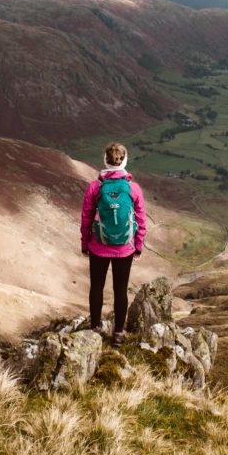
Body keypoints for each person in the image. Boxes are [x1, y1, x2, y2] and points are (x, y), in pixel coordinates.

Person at [80, 141, 146, 346]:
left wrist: (85, 244)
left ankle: (96, 328)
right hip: (125, 248)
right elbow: (141, 218)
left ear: (105, 161)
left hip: (98, 246)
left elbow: (86, 218)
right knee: (120, 289)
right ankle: (118, 333)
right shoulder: (133, 188)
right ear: (125, 161)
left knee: (97, 287)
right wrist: (138, 245)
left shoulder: (95, 187)